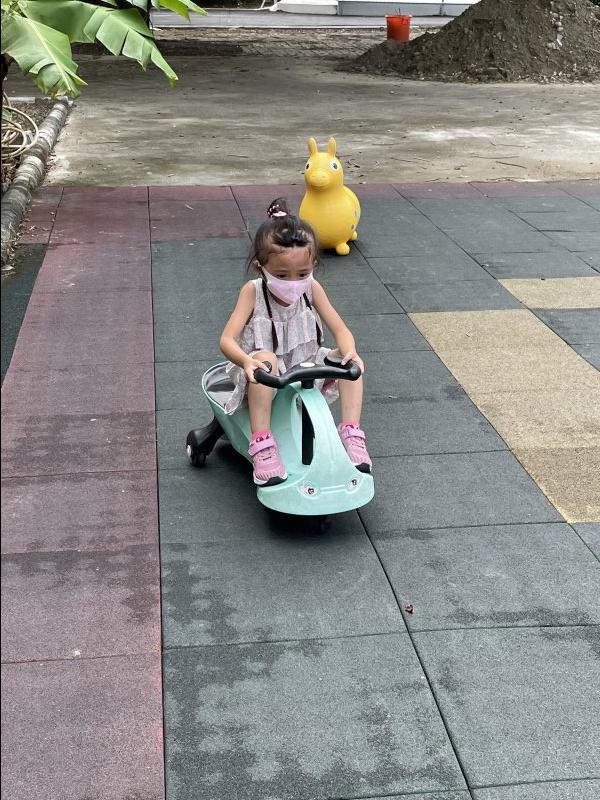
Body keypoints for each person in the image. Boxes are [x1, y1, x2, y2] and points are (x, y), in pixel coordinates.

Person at [219, 198, 372, 486]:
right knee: (266, 358)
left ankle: (351, 431)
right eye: (281, 275)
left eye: (302, 273)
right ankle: (262, 443)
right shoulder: (252, 292)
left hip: (305, 364)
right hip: (263, 374)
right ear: (260, 268)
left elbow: (341, 329)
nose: (293, 282)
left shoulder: (312, 288)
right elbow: (227, 339)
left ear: (313, 265)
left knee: (349, 362)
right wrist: (246, 361)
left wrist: (349, 350)